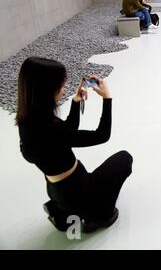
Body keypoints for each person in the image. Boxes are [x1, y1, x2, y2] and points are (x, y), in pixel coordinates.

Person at [16, 57, 133, 233]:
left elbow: (67, 132)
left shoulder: (27, 122)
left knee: (94, 182)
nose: (64, 90)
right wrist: (107, 99)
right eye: (61, 86)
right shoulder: (53, 129)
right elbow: (102, 136)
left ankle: (63, 212)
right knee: (125, 159)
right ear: (47, 91)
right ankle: (97, 216)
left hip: (56, 190)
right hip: (79, 191)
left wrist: (76, 102)